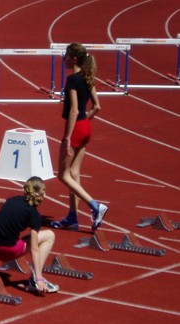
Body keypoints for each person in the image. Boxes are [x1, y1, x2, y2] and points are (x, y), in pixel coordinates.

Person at [0, 176, 59, 294]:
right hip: (7, 252)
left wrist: (7, 204)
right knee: (50, 235)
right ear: (41, 195)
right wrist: (40, 279)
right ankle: (35, 280)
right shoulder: (34, 214)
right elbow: (34, 248)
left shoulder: (13, 200)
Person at [51, 42, 108, 232]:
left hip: (75, 128)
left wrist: (68, 137)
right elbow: (97, 106)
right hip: (86, 127)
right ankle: (72, 217)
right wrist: (85, 122)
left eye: (67, 55)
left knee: (63, 175)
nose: (64, 59)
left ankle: (95, 206)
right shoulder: (88, 77)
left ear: (74, 58)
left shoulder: (73, 79)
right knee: (74, 173)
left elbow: (74, 110)